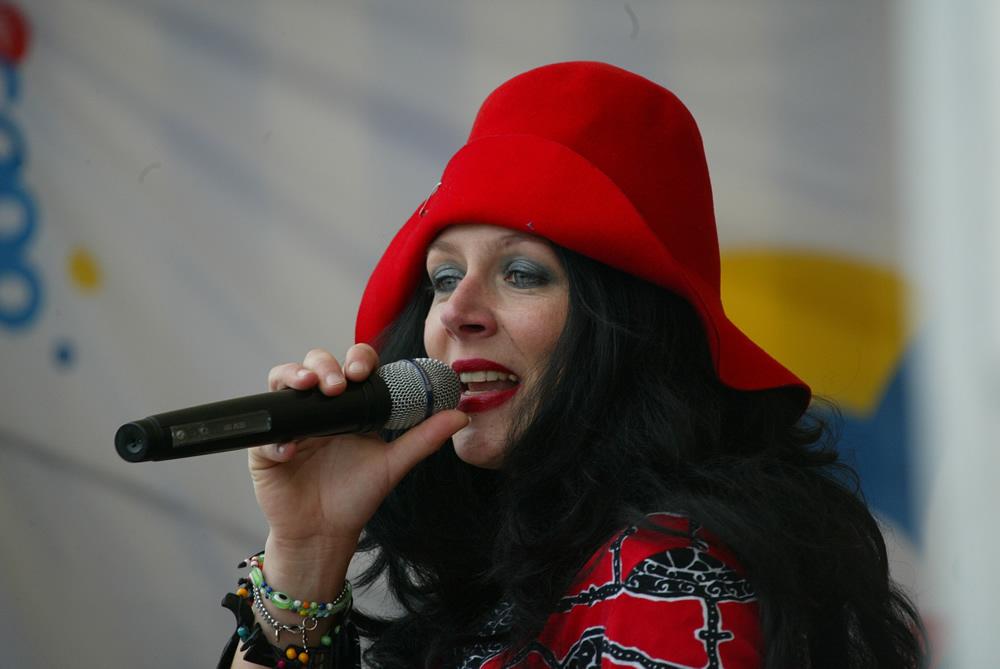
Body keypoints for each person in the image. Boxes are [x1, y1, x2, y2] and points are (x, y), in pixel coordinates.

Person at [219, 61, 923, 669]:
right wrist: (308, 552)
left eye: (522, 273)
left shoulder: (665, 577)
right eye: (442, 277)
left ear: (629, 331)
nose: (457, 310)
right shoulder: (525, 564)